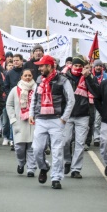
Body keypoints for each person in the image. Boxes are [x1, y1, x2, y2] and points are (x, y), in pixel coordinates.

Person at [30, 54, 75, 189]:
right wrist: (32, 113)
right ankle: (44, 167)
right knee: (37, 149)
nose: (40, 69)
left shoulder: (63, 80)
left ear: (49, 66)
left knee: (57, 150)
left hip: (56, 120)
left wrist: (63, 118)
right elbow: (34, 98)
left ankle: (56, 178)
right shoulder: (39, 79)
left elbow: (71, 100)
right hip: (41, 120)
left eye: (42, 66)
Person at [62, 56, 92, 178]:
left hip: (83, 114)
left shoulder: (88, 77)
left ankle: (76, 169)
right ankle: (67, 161)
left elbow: (95, 91)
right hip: (67, 115)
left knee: (80, 143)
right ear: (71, 66)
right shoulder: (64, 78)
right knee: (65, 141)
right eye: (76, 66)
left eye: (80, 66)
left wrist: (88, 77)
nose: (78, 68)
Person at [6, 68, 37, 177]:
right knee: (19, 147)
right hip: (19, 122)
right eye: (25, 75)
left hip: (33, 122)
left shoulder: (37, 89)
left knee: (32, 147)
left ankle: (31, 169)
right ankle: (21, 162)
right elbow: (9, 105)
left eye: (30, 75)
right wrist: (13, 119)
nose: (28, 77)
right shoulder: (15, 90)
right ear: (21, 77)